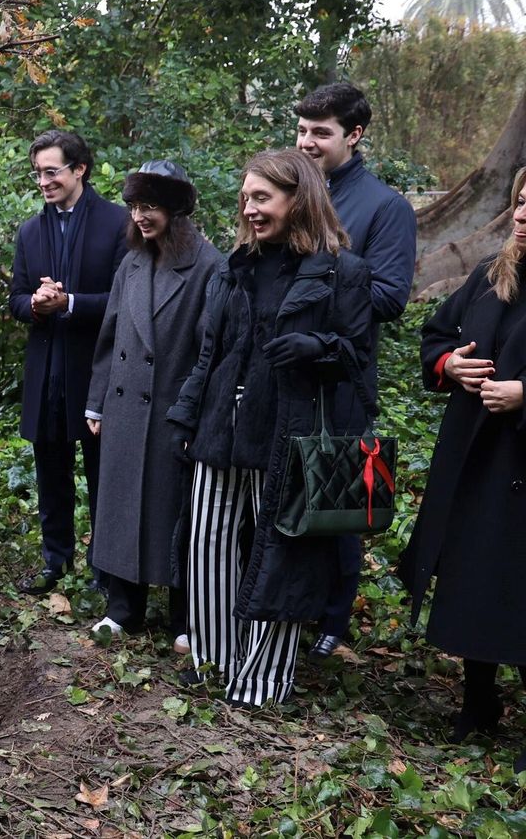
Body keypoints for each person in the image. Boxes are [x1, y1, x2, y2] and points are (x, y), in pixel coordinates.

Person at [165, 149, 373, 706]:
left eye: (262, 197)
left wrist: (320, 346)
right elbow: (208, 351)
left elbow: (361, 360)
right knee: (207, 543)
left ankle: (261, 680)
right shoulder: (236, 265)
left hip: (291, 435)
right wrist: (186, 414)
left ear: (298, 198)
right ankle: (212, 661)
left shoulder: (341, 271)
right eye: (245, 197)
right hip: (221, 426)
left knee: (284, 552)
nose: (250, 209)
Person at [401, 167, 526, 772]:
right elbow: (435, 334)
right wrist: (448, 363)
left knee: (518, 584)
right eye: (521, 202)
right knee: (473, 577)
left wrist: (525, 394)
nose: (522, 216)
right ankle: (480, 700)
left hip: (520, 463)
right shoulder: (487, 276)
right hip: (472, 457)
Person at [294, 82, 416, 659]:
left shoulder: (384, 206)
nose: (308, 142)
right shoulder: (289, 190)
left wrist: (325, 264)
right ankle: (286, 608)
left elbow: (390, 296)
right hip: (287, 370)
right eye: (302, 131)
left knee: (337, 502)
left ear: (354, 135)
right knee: (282, 493)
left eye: (322, 132)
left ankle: (331, 622)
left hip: (343, 379)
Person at [84, 162, 222, 643]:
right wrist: (96, 403)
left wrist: (195, 413)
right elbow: (111, 336)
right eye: (135, 206)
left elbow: (212, 348)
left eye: (151, 207)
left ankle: (187, 619)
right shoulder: (133, 262)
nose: (140, 216)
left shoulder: (209, 265)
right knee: (122, 506)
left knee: (177, 512)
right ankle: (123, 611)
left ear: (176, 210)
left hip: (173, 412)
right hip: (124, 410)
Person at [9, 129, 129, 595]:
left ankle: (105, 570)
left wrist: (71, 303)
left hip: (96, 370)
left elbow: (125, 300)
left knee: (102, 474)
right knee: (50, 470)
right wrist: (35, 305)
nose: (43, 181)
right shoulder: (30, 229)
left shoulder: (117, 224)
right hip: (46, 371)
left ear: (79, 169)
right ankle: (54, 561)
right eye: (37, 173)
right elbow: (16, 297)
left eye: (51, 171)